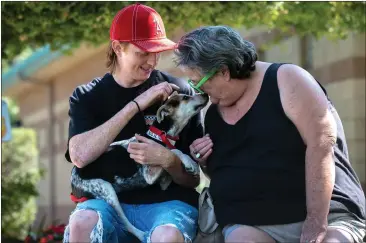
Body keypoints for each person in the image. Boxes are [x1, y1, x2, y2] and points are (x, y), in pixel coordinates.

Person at [174, 25, 366, 243]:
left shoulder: (288, 80)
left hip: (324, 214)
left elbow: (321, 146)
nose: (198, 92)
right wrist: (205, 161)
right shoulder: (214, 114)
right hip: (252, 221)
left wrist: (315, 223)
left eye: (198, 82)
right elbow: (225, 173)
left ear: (223, 72)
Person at [63, 3, 204, 243]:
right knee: (81, 223)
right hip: (105, 205)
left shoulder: (180, 93)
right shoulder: (87, 96)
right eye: (143, 53)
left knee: (167, 235)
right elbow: (80, 156)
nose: (152, 61)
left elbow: (194, 179)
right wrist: (136, 105)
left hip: (167, 206)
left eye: (157, 52)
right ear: (118, 48)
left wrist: (167, 160)